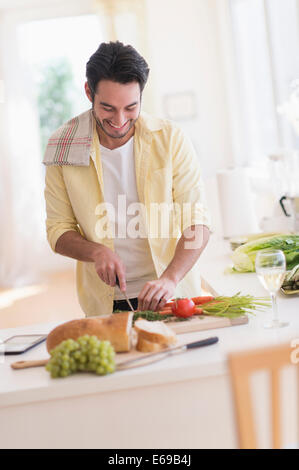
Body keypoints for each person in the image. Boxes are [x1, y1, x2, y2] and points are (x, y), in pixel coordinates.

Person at [43, 41, 212, 316]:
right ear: (89, 92)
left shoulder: (170, 139)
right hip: (105, 304)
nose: (120, 120)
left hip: (174, 295)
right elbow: (57, 231)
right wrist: (96, 252)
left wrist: (170, 278)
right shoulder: (62, 146)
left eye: (131, 107)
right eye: (108, 108)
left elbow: (198, 223)